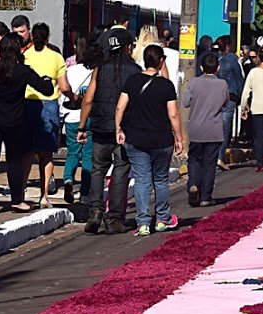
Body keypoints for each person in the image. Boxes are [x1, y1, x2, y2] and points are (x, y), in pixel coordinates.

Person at [0, 34, 55, 217]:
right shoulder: (23, 71)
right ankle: (17, 201)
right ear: (19, 50)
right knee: (14, 160)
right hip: (14, 121)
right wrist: (47, 79)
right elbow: (47, 90)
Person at [116, 45, 183, 237]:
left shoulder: (132, 81)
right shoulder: (166, 85)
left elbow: (120, 107)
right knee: (160, 180)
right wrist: (179, 137)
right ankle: (162, 219)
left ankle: (143, 223)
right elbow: (173, 114)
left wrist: (118, 128)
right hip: (162, 139)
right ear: (161, 61)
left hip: (136, 139)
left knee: (142, 180)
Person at [79, 27, 136, 233]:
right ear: (128, 48)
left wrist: (82, 126)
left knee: (98, 170)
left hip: (100, 127)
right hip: (124, 130)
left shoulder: (100, 68)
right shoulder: (135, 71)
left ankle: (95, 211)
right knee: (120, 170)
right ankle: (113, 218)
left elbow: (88, 99)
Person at [21, 24, 66, 209]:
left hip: (27, 103)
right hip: (49, 105)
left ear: (32, 37)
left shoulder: (25, 55)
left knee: (26, 152)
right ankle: (44, 196)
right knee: (46, 154)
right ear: (48, 37)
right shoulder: (56, 57)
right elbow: (64, 86)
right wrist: (73, 98)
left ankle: (21, 192)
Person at [181, 51, 227, 208]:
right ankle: (206, 196)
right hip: (214, 129)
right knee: (210, 164)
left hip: (196, 128)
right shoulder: (222, 84)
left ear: (201, 68)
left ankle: (194, 184)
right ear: (218, 68)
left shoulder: (194, 82)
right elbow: (225, 102)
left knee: (194, 159)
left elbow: (185, 102)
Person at [59, 39, 98, 206]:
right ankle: (84, 193)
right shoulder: (95, 72)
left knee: (72, 153)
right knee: (88, 156)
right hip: (90, 117)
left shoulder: (70, 70)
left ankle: (68, 180)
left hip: (72, 117)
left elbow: (63, 92)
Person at [215, 37, 245, 156]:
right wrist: (241, 97)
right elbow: (239, 79)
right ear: (227, 46)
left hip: (213, 97)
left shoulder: (212, 59)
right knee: (225, 128)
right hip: (230, 97)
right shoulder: (232, 60)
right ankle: (220, 156)